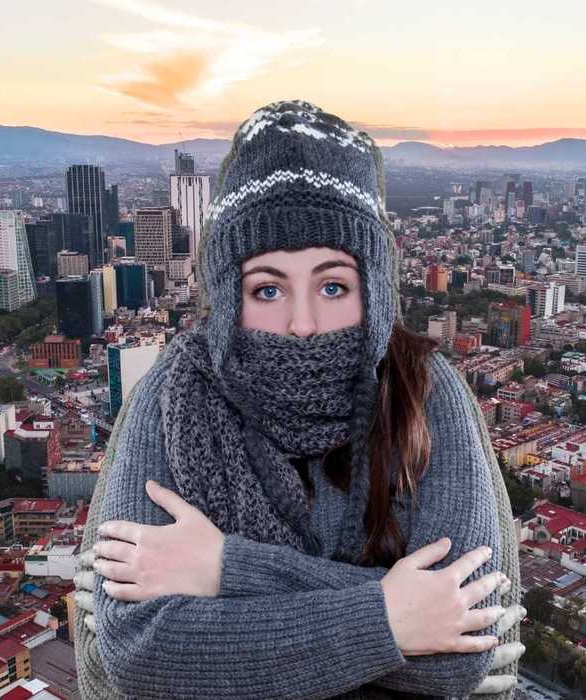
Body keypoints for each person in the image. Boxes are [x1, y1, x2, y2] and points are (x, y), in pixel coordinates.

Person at [72, 100, 524, 698]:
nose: (303, 323)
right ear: (230, 296)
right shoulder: (175, 395)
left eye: (333, 285)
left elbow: (459, 654)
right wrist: (392, 616)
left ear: (375, 291)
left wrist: (225, 571)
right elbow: (139, 653)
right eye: (267, 289)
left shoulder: (426, 393)